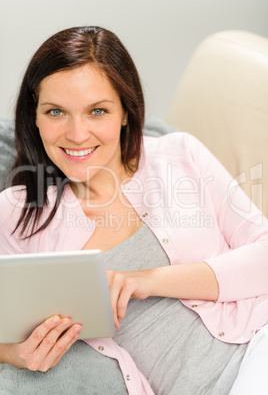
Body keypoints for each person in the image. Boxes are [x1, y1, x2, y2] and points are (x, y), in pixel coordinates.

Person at [0, 26, 267, 395]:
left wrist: (146, 281)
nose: (77, 134)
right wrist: (14, 354)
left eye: (97, 111)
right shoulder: (16, 213)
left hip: (258, 346)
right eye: (56, 111)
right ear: (34, 117)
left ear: (126, 112)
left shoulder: (178, 156)